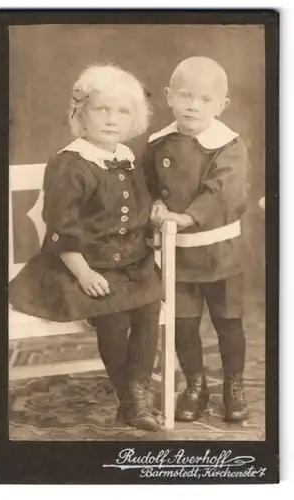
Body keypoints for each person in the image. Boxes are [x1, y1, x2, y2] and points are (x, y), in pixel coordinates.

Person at [9, 64, 163, 432]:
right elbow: (62, 230)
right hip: (77, 264)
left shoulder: (125, 157)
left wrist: (155, 209)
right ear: (81, 114)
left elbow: (138, 207)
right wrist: (84, 272)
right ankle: (131, 400)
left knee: (147, 310)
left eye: (122, 111)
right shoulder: (70, 164)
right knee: (114, 315)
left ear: (134, 119)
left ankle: (136, 393)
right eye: (102, 109)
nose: (112, 120)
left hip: (130, 262)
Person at [144, 56, 249, 423]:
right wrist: (155, 203)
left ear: (222, 105)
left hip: (221, 252)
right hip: (178, 254)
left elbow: (223, 192)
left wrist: (187, 216)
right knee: (183, 325)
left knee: (228, 323)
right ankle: (195, 385)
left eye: (205, 99)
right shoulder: (158, 144)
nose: (193, 105)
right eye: (186, 96)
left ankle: (233, 385)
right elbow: (148, 186)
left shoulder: (228, 145)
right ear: (170, 97)